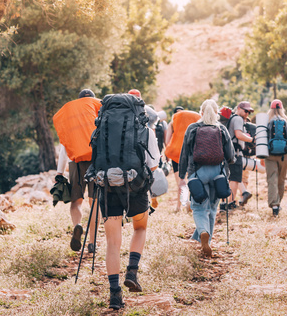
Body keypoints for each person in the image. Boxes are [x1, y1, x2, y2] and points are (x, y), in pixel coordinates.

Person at [93, 93, 160, 310]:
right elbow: (153, 164)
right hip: (136, 188)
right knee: (140, 228)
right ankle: (132, 271)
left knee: (113, 242)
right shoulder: (145, 130)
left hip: (107, 186)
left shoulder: (100, 130)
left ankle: (114, 295)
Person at [178, 99, 235, 257]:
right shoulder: (221, 128)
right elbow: (230, 155)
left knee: (199, 208)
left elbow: (184, 154)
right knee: (212, 208)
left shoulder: (192, 128)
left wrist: (182, 174)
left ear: (200, 113)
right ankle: (206, 242)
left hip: (198, 173)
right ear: (216, 113)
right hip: (218, 173)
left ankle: (202, 232)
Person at [53, 89, 101, 254]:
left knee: (76, 201)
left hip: (75, 162)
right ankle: (92, 243)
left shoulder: (71, 117)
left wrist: (59, 173)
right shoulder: (96, 111)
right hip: (96, 161)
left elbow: (64, 148)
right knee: (95, 202)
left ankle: (77, 226)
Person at [164, 107, 201, 212]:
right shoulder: (195, 119)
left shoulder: (172, 122)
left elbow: (167, 141)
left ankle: (179, 207)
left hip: (177, 154)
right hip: (191, 153)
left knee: (180, 182)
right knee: (191, 180)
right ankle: (190, 202)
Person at [265, 99, 287, 217]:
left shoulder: (267, 120)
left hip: (270, 154)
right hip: (284, 155)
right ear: (282, 108)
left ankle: (274, 204)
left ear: (271, 108)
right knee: (281, 179)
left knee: (272, 178)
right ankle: (279, 203)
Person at [227, 101, 255, 207]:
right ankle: (231, 203)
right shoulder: (238, 118)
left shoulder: (232, 118)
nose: (247, 113)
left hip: (231, 151)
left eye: (249, 112)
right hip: (236, 152)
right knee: (235, 178)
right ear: (238, 108)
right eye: (245, 110)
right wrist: (251, 139)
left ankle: (229, 202)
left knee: (233, 178)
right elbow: (238, 134)